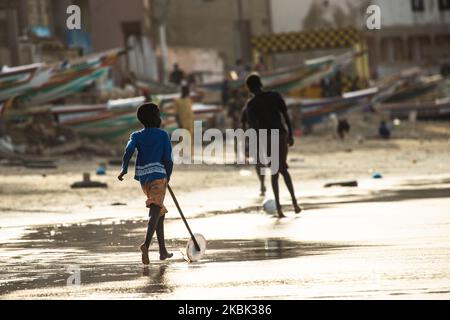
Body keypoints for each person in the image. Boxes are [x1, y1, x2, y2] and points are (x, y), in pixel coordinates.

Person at [118, 103, 174, 265]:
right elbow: (168, 160)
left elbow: (128, 150)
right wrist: (168, 176)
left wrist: (124, 169)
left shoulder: (136, 135)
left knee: (159, 212)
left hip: (144, 179)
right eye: (159, 115)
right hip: (158, 177)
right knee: (155, 212)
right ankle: (146, 244)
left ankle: (163, 251)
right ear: (156, 118)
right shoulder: (162, 135)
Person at [245, 74, 302, 218]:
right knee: (283, 168)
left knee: (275, 172)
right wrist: (290, 133)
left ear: (249, 89)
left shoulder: (251, 105)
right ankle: (294, 203)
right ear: (261, 83)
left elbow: (254, 127)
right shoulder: (274, 96)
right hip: (281, 135)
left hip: (267, 138)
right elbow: (285, 115)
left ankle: (279, 208)